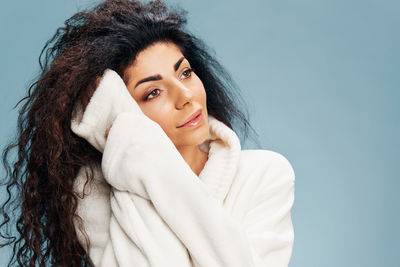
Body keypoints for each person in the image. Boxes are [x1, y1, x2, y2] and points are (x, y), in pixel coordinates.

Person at [0, 0, 295, 266]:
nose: (185, 97)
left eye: (185, 73)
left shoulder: (265, 174)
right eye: (153, 92)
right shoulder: (92, 195)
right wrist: (138, 155)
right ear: (123, 113)